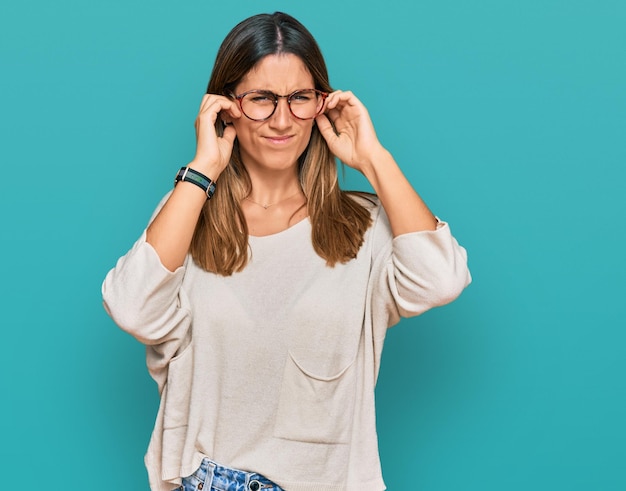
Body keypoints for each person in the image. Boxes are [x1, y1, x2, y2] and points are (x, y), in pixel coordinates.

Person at [102, 11, 471, 491]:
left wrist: (374, 159)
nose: (282, 120)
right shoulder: (190, 215)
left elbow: (441, 279)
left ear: (323, 103)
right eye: (261, 99)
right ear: (226, 105)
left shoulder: (363, 225)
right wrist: (203, 168)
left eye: (300, 98)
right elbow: (132, 308)